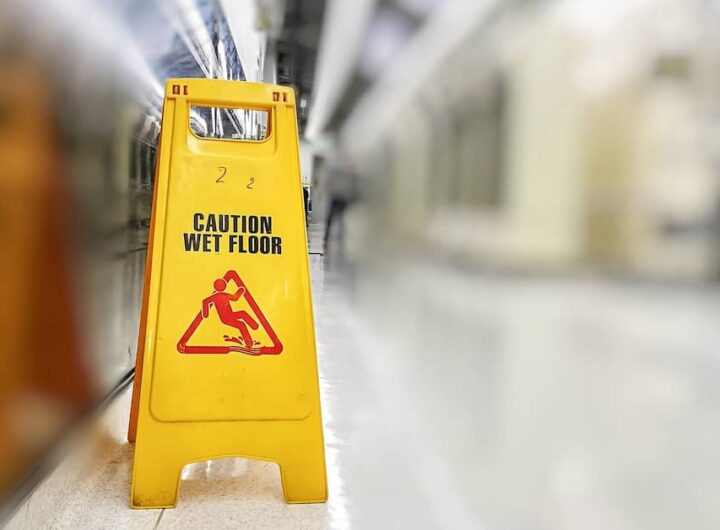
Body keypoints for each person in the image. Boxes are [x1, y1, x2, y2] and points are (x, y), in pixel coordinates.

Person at [202, 278, 259, 347]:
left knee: (242, 322)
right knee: (242, 317)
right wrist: (241, 290)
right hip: (227, 318)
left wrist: (206, 313)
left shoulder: (219, 296)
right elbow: (235, 298)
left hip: (228, 316)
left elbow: (205, 301)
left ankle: (250, 340)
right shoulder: (219, 296)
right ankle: (254, 328)